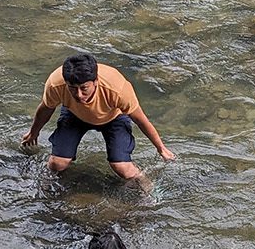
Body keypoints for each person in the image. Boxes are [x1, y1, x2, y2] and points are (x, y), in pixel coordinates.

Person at [22, 53, 175, 181]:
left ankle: (147, 186)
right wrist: (34, 132)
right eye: (73, 89)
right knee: (57, 164)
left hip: (113, 117)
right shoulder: (56, 84)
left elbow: (140, 119)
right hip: (74, 115)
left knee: (123, 169)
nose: (79, 95)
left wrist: (160, 148)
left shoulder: (117, 88)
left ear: (95, 82)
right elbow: (46, 109)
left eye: (84, 88)